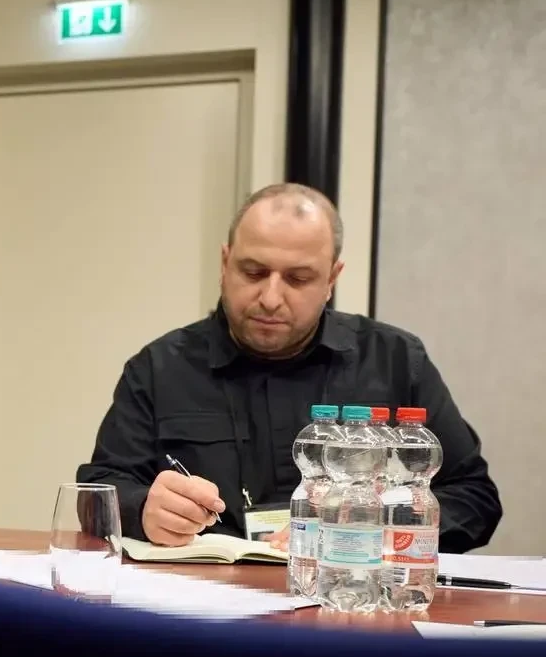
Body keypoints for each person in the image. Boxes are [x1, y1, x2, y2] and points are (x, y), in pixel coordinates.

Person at [77, 182, 501, 554]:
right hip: (205, 600)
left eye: (298, 279)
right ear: (224, 263)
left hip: (349, 590)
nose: (270, 298)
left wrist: (376, 527)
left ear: (332, 279)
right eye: (253, 272)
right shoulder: (160, 367)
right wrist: (142, 509)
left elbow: (474, 498)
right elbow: (98, 491)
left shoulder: (395, 359)